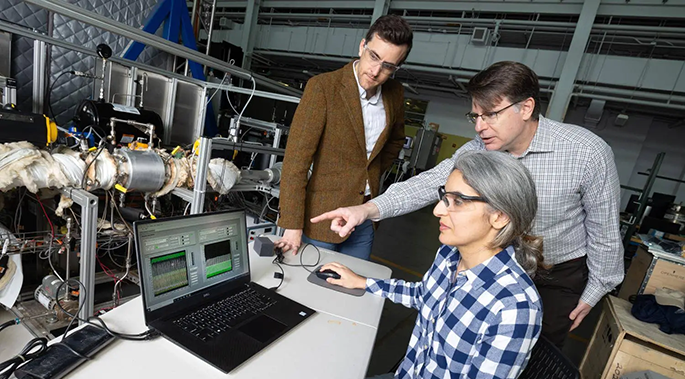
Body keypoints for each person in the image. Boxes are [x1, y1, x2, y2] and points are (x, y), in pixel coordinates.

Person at [312, 61, 624, 348]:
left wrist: (594, 292)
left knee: (537, 353)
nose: (479, 126)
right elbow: (429, 182)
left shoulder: (586, 153)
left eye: (491, 114)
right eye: (475, 115)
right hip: (493, 266)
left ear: (527, 107)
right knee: (464, 342)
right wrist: (366, 209)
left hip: (555, 275)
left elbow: (604, 230)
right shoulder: (481, 148)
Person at [321, 150, 543, 378]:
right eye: (444, 197)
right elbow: (425, 295)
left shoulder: (514, 308)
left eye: (457, 201)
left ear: (500, 216)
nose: (437, 210)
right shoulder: (449, 254)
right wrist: (364, 283)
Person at [275, 15, 413, 260]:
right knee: (311, 294)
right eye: (373, 57)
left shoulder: (394, 94)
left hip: (364, 218)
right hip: (322, 218)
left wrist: (370, 173)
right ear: (362, 46)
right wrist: (293, 224)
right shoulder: (323, 88)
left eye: (388, 66)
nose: (376, 71)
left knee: (352, 290)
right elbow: (296, 161)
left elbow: (395, 141)